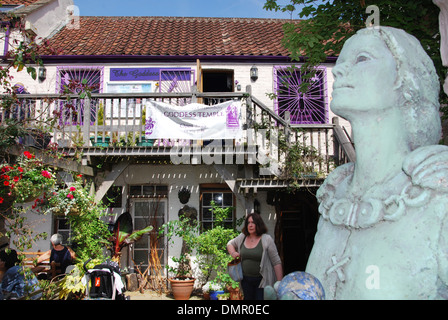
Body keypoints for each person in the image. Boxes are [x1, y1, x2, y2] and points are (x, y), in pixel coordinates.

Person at [305, 26, 448, 299]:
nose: (337, 71)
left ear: (403, 77)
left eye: (361, 58)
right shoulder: (334, 197)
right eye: (339, 61)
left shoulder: (439, 197)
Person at [227, 213, 283, 300]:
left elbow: (276, 262)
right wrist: (233, 253)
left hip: (262, 280)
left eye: (253, 223)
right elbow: (230, 244)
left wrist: (279, 284)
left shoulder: (267, 239)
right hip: (245, 280)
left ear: (259, 224)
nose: (250, 225)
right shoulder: (243, 237)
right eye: (248, 223)